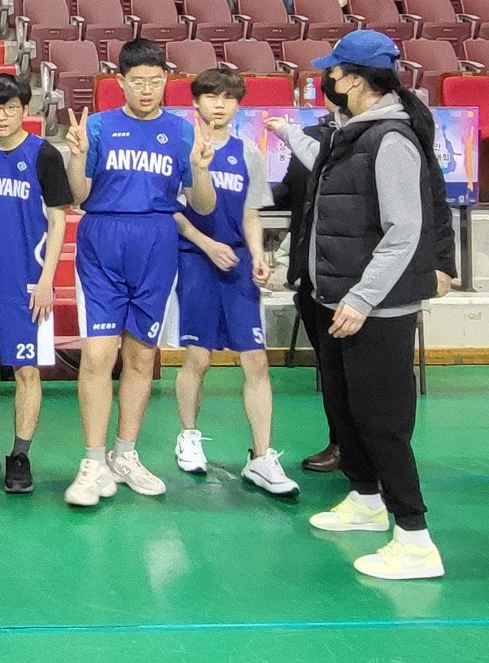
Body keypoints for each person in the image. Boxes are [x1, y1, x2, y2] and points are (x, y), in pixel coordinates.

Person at [267, 31, 455, 580]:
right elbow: (331, 172)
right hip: (337, 298)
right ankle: (366, 499)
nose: (326, 78)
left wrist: (363, 297)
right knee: (346, 408)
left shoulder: (391, 139)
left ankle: (415, 538)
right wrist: (286, 132)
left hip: (374, 307)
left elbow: (405, 231)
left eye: (333, 72)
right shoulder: (353, 134)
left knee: (381, 421)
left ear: (353, 80)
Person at [63, 38, 216, 507]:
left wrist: (200, 170)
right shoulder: (99, 126)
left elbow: (203, 206)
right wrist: (76, 156)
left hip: (157, 244)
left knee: (140, 357)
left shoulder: (183, 132)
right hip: (103, 241)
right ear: (121, 82)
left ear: (166, 80)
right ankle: (93, 461)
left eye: (154, 81)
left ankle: (125, 454)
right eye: (137, 82)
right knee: (97, 355)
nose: (146, 90)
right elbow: (78, 196)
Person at [171, 69, 298, 496]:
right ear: (197, 103)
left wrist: (258, 254)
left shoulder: (248, 153)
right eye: (212, 97)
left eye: (228, 98)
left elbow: (250, 212)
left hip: (238, 262)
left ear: (238, 106)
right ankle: (188, 435)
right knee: (198, 357)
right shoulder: (183, 150)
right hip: (196, 258)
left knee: (256, 360)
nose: (220, 105)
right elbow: (173, 212)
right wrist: (208, 245)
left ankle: (261, 457)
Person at [0, 74, 70, 492]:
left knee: (26, 370)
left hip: (27, 284)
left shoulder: (44, 155)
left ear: (25, 109)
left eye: (9, 107)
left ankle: (20, 455)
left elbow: (58, 220)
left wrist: (46, 281)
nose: (0, 116)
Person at [270, 112, 342, 474]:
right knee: (330, 367)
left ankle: (372, 455)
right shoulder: (308, 137)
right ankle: (340, 442)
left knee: (364, 374)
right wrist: (239, 192)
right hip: (310, 275)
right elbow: (287, 192)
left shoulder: (377, 137)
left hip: (353, 275)